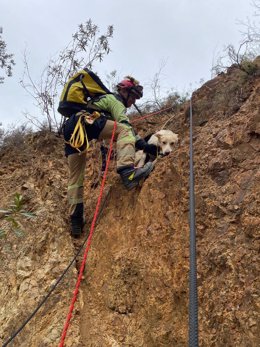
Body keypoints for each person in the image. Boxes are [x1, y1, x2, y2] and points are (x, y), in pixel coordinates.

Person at [63, 76, 158, 237]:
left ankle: (76, 220)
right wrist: (144, 145)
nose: (134, 100)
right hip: (87, 123)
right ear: (123, 91)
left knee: (75, 179)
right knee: (125, 129)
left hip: (72, 129)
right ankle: (128, 172)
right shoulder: (115, 100)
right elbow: (124, 126)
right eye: (133, 95)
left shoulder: (101, 100)